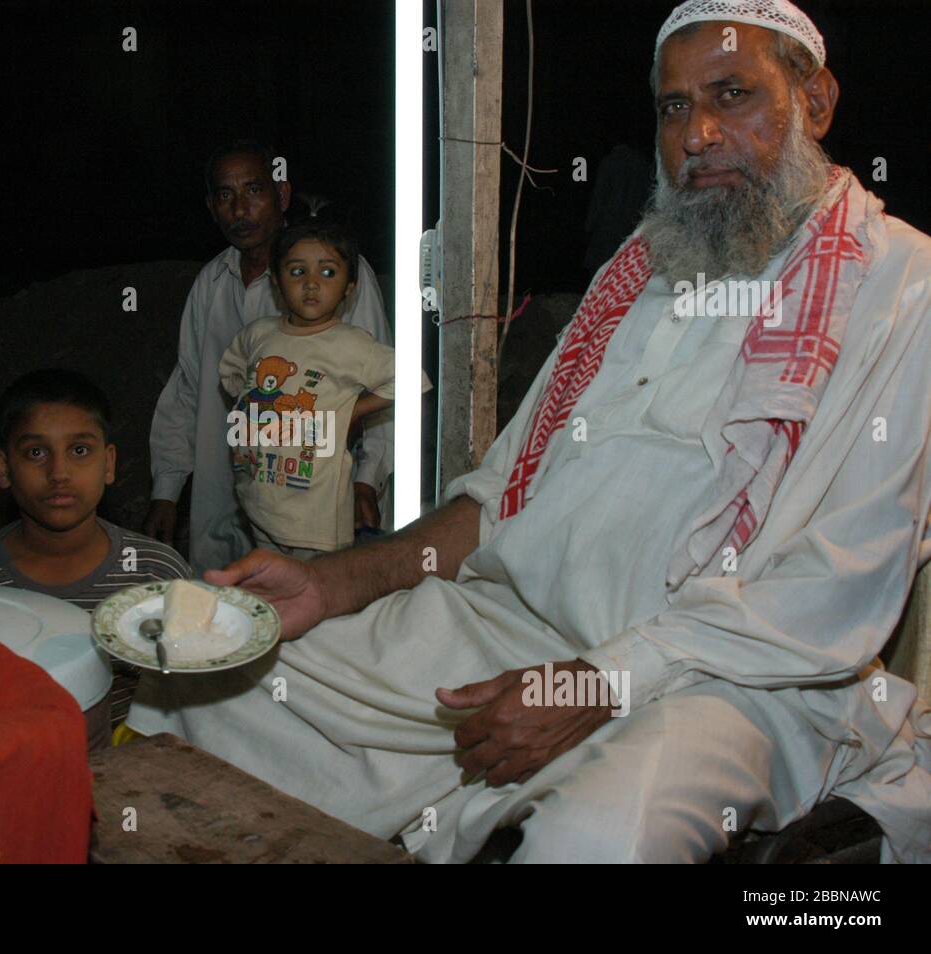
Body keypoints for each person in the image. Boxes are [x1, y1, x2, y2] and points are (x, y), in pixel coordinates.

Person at [128, 0, 931, 863]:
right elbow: (495, 500)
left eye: (731, 94)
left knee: (600, 836)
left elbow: (834, 587)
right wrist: (331, 584)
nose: (695, 133)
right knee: (213, 687)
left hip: (738, 679)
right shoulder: (641, 274)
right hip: (512, 624)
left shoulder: (900, 282)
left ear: (815, 101)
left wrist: (600, 680)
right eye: (672, 106)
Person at [145, 140, 394, 574]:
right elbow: (188, 388)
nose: (240, 209)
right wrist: (166, 490)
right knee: (232, 625)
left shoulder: (337, 276)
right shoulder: (211, 284)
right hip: (225, 501)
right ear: (211, 206)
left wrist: (365, 481)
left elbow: (381, 382)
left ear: (282, 195)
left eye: (254, 190)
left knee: (320, 613)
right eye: (226, 195)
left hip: (316, 506)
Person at [0, 369, 191, 729]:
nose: (59, 472)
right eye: (36, 452)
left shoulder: (156, 573)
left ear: (109, 463)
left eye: (79, 450)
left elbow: (190, 702)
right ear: (3, 468)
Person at [219, 208, 426, 559]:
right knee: (276, 596)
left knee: (320, 602)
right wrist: (255, 404)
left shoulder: (350, 343)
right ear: (276, 281)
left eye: (327, 272)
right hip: (258, 502)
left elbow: (412, 377)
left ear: (349, 288)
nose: (311, 283)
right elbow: (231, 370)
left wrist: (349, 411)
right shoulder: (257, 335)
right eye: (297, 271)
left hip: (317, 519)